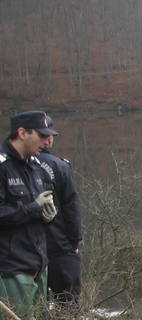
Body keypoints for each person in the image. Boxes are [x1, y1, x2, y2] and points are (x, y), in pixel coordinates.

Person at [0, 111, 58, 320]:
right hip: (12, 268)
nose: (47, 141)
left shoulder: (35, 167)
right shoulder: (2, 166)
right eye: (41, 135)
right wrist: (33, 208)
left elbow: (37, 212)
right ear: (22, 133)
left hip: (38, 264)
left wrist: (47, 216)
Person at [36, 114, 83, 308]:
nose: (49, 139)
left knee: (36, 308)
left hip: (29, 250)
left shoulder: (13, 166)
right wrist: (74, 242)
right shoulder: (60, 166)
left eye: (51, 135)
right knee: (68, 305)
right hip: (60, 247)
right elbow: (72, 207)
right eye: (44, 135)